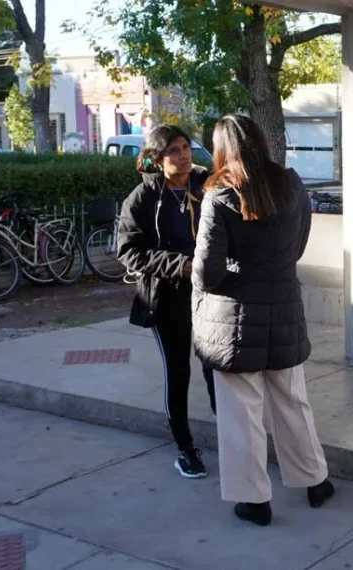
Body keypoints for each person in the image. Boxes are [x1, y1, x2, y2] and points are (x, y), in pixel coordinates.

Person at [191, 114, 333, 527]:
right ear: (261, 141)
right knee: (293, 403)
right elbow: (298, 247)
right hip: (283, 308)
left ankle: (254, 501)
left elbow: (207, 273)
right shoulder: (291, 184)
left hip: (233, 320)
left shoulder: (219, 194)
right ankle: (315, 481)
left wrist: (233, 271)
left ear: (221, 148)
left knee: (242, 414)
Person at [118, 125, 216, 479]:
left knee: (216, 366)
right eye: (174, 150)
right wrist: (180, 265)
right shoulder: (142, 198)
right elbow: (128, 251)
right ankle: (185, 449)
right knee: (178, 372)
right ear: (157, 159)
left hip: (209, 294)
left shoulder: (207, 185)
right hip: (166, 297)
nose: (183, 155)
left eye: (186, 147)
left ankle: (233, 434)